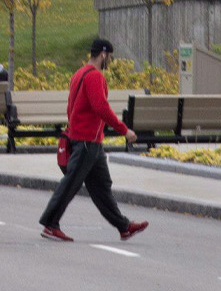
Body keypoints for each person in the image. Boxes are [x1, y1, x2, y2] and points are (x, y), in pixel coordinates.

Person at [39, 37, 149, 244]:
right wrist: (124, 130)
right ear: (103, 54)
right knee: (71, 183)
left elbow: (71, 106)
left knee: (102, 187)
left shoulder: (79, 74)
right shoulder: (95, 77)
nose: (110, 61)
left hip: (89, 141)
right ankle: (50, 224)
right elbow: (101, 107)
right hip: (86, 140)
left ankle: (124, 227)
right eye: (110, 57)